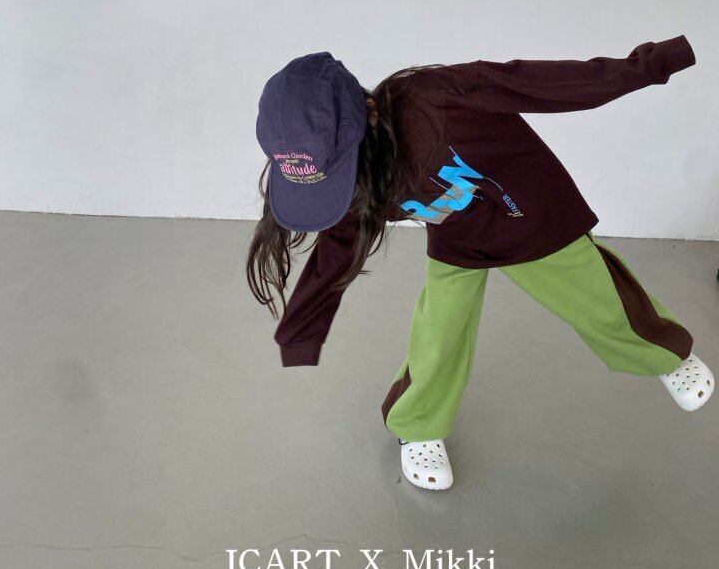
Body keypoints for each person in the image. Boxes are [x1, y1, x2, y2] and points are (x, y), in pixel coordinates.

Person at [247, 38, 713, 491]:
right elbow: (339, 245)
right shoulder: (358, 184)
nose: (339, 188)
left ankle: (668, 355)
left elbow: (544, 84)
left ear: (367, 113)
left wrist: (650, 64)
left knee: (600, 301)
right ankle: (417, 426)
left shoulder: (437, 100)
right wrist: (302, 331)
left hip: (531, 222)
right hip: (458, 242)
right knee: (438, 335)